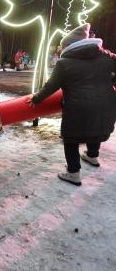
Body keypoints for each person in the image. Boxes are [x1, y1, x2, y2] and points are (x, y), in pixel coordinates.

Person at [28, 23, 116, 186]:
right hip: (107, 103)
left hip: (78, 107)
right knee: (95, 127)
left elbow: (51, 86)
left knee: (71, 138)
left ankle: (73, 172)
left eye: (62, 46)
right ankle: (92, 155)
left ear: (69, 45)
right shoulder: (105, 56)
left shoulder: (64, 63)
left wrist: (36, 99)